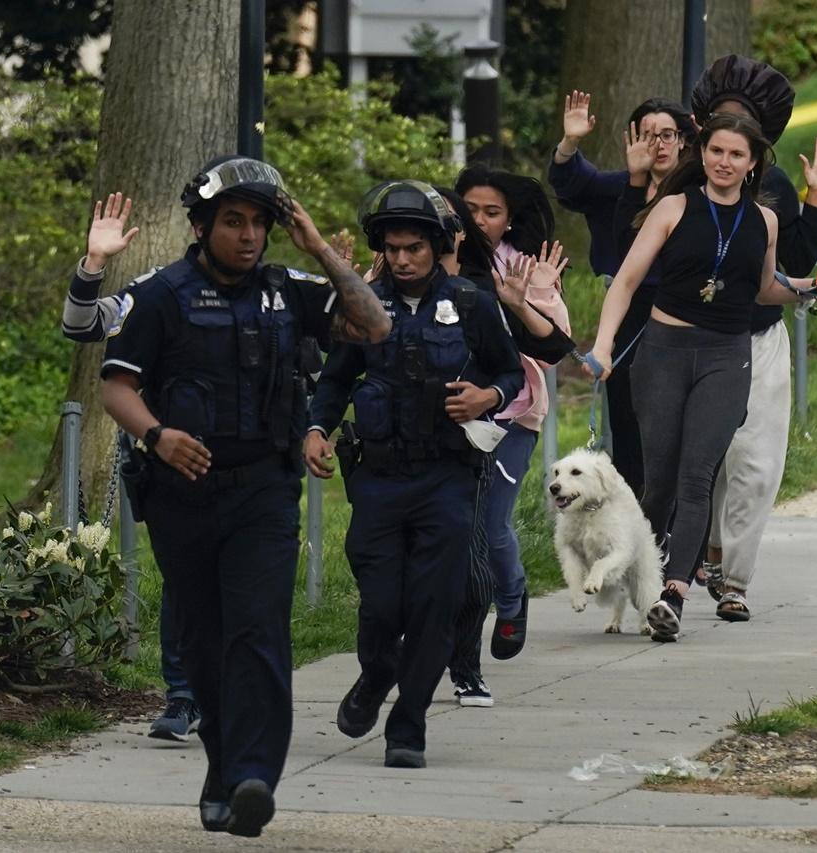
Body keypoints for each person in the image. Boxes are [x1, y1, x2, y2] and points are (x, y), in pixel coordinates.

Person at [98, 155, 390, 837]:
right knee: (205, 638)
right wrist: (157, 435)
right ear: (201, 227)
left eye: (260, 222)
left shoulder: (287, 288)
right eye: (234, 221)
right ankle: (222, 767)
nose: (249, 234)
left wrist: (318, 248)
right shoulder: (160, 294)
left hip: (264, 485)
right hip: (182, 488)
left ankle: (256, 775)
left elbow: (373, 326)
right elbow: (116, 385)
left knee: (259, 628)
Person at [589, 113, 817, 642]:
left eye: (736, 155)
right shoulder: (673, 207)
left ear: (753, 164)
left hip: (726, 356)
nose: (724, 162)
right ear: (703, 155)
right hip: (665, 354)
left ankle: (672, 592)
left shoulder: (764, 221)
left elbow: (765, 289)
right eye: (716, 151)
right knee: (660, 483)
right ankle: (639, 574)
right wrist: (603, 348)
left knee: (699, 477)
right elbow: (625, 281)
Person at [305, 180, 522, 767]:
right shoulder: (362, 304)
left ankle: (409, 725)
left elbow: (512, 375)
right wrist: (317, 429)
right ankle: (376, 675)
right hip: (376, 480)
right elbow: (334, 380)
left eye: (413, 249)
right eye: (393, 249)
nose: (402, 260)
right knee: (380, 604)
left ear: (436, 247)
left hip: (447, 478)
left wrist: (486, 396)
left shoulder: (474, 304)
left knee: (434, 602)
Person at [657, 54, 817, 621]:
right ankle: (685, 565)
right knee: (697, 462)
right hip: (684, 344)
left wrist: (814, 200)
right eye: (719, 136)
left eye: (742, 141)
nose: (728, 152)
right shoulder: (683, 185)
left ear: (757, 146)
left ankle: (734, 580)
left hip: (754, 339)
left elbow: (793, 265)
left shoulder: (776, 190)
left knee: (755, 465)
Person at [61, 193, 201, 742]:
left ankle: (235, 692)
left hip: (258, 466)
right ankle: (184, 697)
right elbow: (81, 326)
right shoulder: (155, 291)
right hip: (174, 459)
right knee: (186, 582)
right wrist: (94, 264)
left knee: (246, 588)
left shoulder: (274, 291)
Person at [450, 167, 571, 705]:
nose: (477, 221)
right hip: (447, 416)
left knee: (490, 522)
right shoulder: (434, 257)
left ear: (510, 221)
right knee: (448, 531)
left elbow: (554, 343)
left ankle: (511, 595)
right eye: (469, 209)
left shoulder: (527, 267)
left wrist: (517, 299)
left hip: (512, 414)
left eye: (491, 212)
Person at [548, 93, 696, 494]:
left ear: (684, 140)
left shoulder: (698, 193)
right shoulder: (618, 187)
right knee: (629, 424)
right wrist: (570, 142)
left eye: (667, 134)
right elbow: (570, 184)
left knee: (682, 425)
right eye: (647, 134)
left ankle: (684, 532)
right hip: (627, 311)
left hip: (683, 313)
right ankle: (639, 525)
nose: (658, 144)